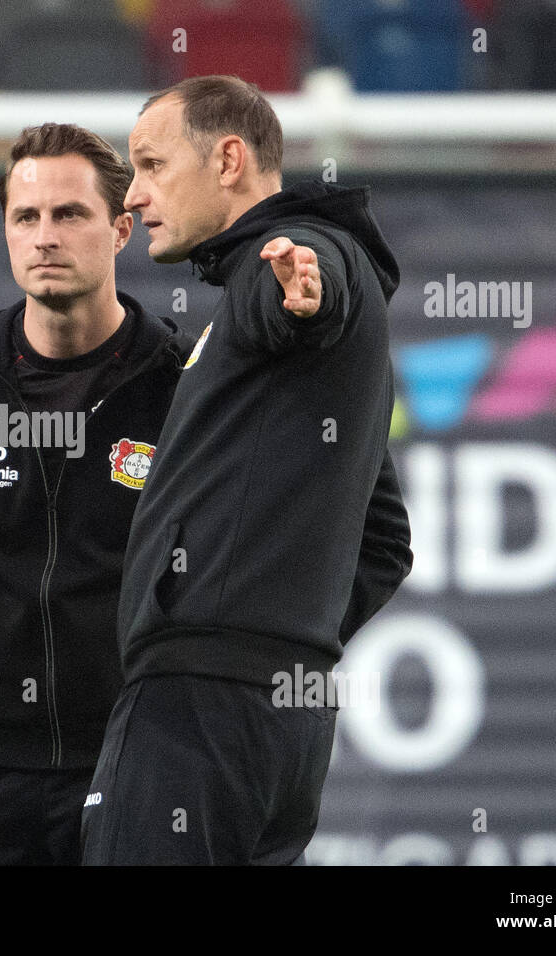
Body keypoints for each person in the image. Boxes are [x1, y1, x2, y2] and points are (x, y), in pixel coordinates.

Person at [80, 75, 414, 865]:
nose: (133, 199)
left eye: (153, 166)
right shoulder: (313, 317)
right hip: (285, 719)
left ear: (228, 158)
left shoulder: (296, 261)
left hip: (200, 704)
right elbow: (386, 537)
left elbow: (295, 285)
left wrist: (306, 294)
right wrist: (286, 638)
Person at [0, 123, 192, 865]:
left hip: (135, 753)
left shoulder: (183, 384)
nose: (45, 236)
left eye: (70, 214)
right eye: (26, 218)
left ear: (122, 229)